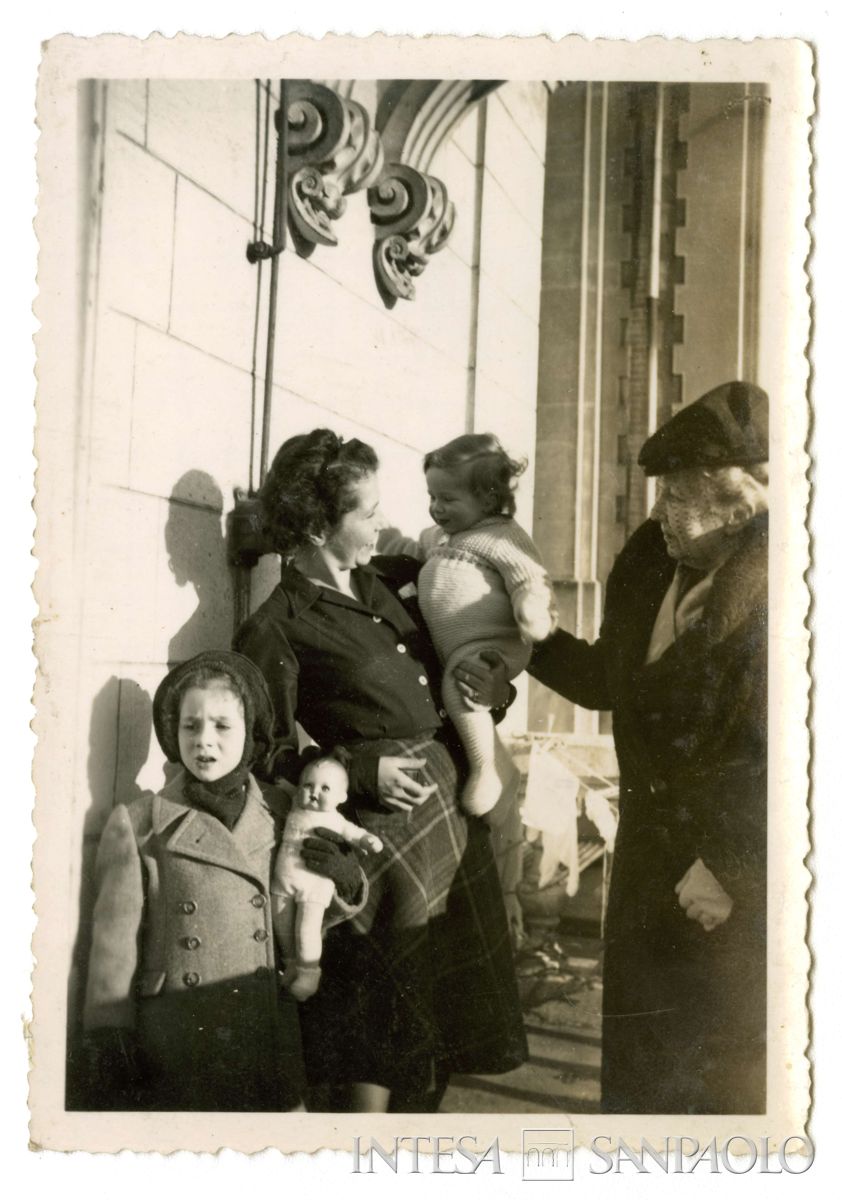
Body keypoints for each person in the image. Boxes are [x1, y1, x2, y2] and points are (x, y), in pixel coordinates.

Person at [459, 380, 769, 1114]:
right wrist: (527, 639)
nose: (657, 512)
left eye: (676, 498)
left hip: (728, 887)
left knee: (720, 1089)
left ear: (735, 506)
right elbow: (609, 680)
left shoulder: (797, 590)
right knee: (641, 1084)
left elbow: (792, 760)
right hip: (646, 871)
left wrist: (730, 868)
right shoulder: (652, 563)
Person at [233, 428, 528, 1113]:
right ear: (317, 524)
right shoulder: (277, 623)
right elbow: (262, 748)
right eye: (365, 513)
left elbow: (466, 658)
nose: (381, 524)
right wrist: (358, 768)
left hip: (453, 811)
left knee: (447, 1022)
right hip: (385, 836)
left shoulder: (397, 582)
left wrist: (493, 685)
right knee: (385, 1036)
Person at [81, 651, 367, 1111]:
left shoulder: (280, 810)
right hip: (178, 1036)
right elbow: (113, 949)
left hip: (266, 1033)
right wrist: (109, 1034)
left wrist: (347, 884)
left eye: (222, 726)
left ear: (251, 732)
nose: (204, 741)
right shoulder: (139, 822)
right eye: (190, 726)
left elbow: (298, 907)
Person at [401, 433, 557, 821]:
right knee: (459, 686)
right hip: (458, 645)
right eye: (431, 497)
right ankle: (501, 768)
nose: (436, 508)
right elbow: (413, 548)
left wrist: (531, 609)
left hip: (492, 644)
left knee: (461, 684)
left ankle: (487, 769)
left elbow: (529, 577)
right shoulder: (443, 537)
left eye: (448, 499)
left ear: (488, 499)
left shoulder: (500, 536)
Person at [272, 748, 383, 1002]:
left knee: (306, 930)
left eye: (325, 789)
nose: (314, 792)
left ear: (342, 796)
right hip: (283, 880)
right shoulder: (296, 804)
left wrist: (368, 840)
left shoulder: (336, 820)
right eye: (308, 785)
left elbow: (355, 833)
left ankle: (309, 973)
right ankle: (291, 966)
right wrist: (288, 786)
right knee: (281, 924)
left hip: (315, 884)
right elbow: (293, 792)